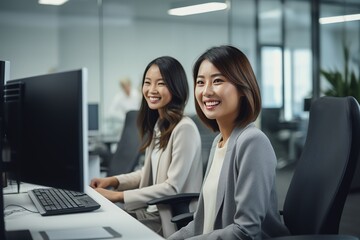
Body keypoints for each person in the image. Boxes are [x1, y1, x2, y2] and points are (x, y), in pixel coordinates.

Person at [168, 45, 290, 240]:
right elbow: (202, 223)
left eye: (217, 81)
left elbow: (245, 232)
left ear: (242, 88)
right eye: (200, 82)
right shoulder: (220, 142)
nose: (206, 91)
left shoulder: (253, 142)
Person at [90, 56, 203, 237]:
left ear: (176, 87)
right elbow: (146, 173)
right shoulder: (160, 125)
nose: (151, 90)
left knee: (107, 231)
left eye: (161, 83)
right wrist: (113, 181)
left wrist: (118, 195)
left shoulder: (185, 128)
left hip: (168, 219)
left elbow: (171, 187)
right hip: (151, 211)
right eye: (147, 82)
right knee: (99, 221)